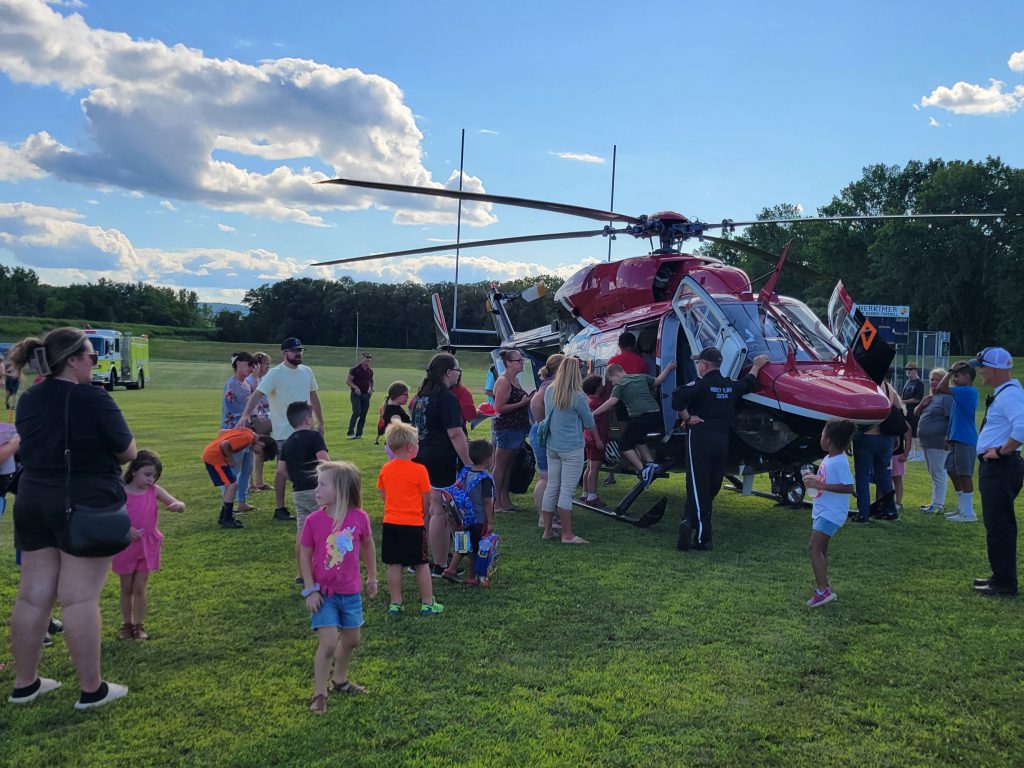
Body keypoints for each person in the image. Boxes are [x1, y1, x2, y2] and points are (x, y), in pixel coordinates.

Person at [7, 327, 138, 710]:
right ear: (73, 360)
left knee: (33, 598)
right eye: (91, 357)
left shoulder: (30, 398)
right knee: (80, 598)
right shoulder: (93, 399)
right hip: (82, 503)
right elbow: (128, 451)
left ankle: (25, 683)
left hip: (32, 499)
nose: (94, 363)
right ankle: (91, 689)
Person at [299, 461, 377, 714]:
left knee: (352, 640)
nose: (316, 489)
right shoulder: (314, 521)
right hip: (324, 594)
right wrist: (310, 590)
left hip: (351, 592)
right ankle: (319, 693)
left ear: (341, 489)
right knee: (329, 643)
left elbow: (368, 546)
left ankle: (340, 680)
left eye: (322, 484)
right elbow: (304, 554)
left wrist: (372, 577)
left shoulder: (359, 518)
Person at [671, 349, 769, 550]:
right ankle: (689, 519)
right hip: (721, 440)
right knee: (711, 486)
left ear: (704, 365)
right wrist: (757, 365)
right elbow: (748, 384)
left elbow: (676, 399)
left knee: (698, 486)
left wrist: (687, 418)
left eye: (699, 363)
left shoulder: (699, 385)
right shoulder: (728, 385)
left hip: (700, 437)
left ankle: (701, 538)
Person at [239, 338, 323, 522]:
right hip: (284, 432)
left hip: (306, 430)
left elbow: (314, 397)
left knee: (312, 468)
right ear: (284, 353)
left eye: (300, 350)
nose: (298, 353)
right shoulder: (276, 374)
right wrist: (245, 414)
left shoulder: (307, 371)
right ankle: (280, 508)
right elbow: (257, 394)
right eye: (294, 350)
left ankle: (315, 503)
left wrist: (320, 422)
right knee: (282, 470)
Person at [409, 353, 472, 578]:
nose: (458, 374)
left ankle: (418, 558)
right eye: (457, 370)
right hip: (440, 459)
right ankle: (439, 563)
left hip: (419, 457)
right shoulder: (446, 398)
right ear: (447, 372)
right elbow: (455, 433)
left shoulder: (419, 397)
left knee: (424, 510)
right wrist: (468, 463)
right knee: (440, 511)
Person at [111, 451, 185, 641]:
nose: (151, 479)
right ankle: (126, 626)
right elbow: (109, 515)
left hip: (148, 545)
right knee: (126, 587)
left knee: (140, 587)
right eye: (147, 474)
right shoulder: (121, 491)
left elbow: (177, 502)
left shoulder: (154, 490)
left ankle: (139, 626)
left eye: (155, 476)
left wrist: (178, 505)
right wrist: (125, 529)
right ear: (134, 471)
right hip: (126, 545)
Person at [969, 347, 1024, 597]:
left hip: (1000, 466)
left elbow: (1022, 427)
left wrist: (1001, 451)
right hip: (997, 467)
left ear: (992, 369)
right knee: (996, 523)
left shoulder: (1010, 395)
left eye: (981, 367)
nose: (979, 371)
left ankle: (1004, 582)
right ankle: (999, 575)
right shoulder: (1006, 393)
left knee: (999, 524)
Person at [376, 422, 443, 615]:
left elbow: (383, 494)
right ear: (410, 447)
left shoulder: (386, 469)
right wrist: (422, 514)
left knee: (394, 564)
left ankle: (395, 603)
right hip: (413, 523)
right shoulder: (420, 470)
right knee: (421, 564)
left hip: (391, 522)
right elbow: (426, 498)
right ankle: (427, 602)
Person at [592, 361, 677, 485]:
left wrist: (594, 413)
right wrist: (668, 368)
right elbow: (658, 380)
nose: (612, 383)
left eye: (611, 380)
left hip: (641, 417)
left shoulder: (619, 385)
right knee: (638, 439)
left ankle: (643, 469)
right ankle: (651, 463)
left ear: (615, 375)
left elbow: (611, 402)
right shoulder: (641, 377)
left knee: (624, 445)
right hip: (656, 414)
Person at [541, 358, 597, 544]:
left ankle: (548, 530)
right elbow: (589, 422)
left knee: (552, 487)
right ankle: (567, 534)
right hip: (572, 447)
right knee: (566, 491)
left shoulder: (550, 391)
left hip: (552, 445)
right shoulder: (578, 396)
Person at [801, 419, 856, 607]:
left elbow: (849, 487)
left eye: (823, 434)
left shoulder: (839, 461)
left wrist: (820, 484)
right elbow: (826, 480)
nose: (820, 437)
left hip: (831, 514)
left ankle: (822, 591)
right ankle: (824, 586)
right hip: (823, 510)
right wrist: (815, 478)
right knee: (821, 550)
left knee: (813, 548)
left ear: (829, 440)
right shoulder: (829, 458)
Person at [279, 401, 330, 575]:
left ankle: (302, 573)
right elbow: (324, 461)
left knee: (302, 533)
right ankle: (325, 568)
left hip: (298, 492)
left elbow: (281, 470)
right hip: (317, 491)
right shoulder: (314, 437)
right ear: (308, 419)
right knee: (326, 528)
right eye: (313, 417)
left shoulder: (287, 442)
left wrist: (296, 478)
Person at [201, 426, 277, 529]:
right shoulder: (247, 438)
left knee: (230, 485)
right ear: (261, 444)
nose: (257, 454)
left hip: (216, 457)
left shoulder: (248, 432)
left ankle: (224, 517)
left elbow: (222, 432)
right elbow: (224, 444)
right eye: (259, 452)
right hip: (214, 458)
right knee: (233, 485)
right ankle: (227, 519)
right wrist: (231, 459)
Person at [851, 378, 904, 524]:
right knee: (884, 476)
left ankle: (863, 513)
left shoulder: (862, 385)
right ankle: (890, 510)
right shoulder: (888, 387)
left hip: (866, 438)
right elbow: (898, 410)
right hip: (885, 439)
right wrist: (896, 436)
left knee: (862, 476)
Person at [442, 439, 494, 585]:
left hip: (461, 517)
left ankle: (451, 570)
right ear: (488, 458)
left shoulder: (465, 472)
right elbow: (487, 502)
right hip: (477, 520)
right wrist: (489, 521)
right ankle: (472, 577)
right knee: (474, 550)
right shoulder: (485, 479)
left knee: (463, 545)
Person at [935, 362, 979, 522]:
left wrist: (950, 370)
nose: (954, 377)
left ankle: (968, 512)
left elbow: (940, 387)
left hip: (966, 439)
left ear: (967, 376)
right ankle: (963, 509)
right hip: (957, 439)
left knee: (965, 474)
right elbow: (954, 417)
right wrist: (948, 435)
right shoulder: (961, 393)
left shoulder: (967, 391)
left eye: (958, 375)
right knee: (952, 470)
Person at [492, 349, 533, 513]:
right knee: (500, 466)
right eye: (518, 361)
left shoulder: (514, 379)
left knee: (508, 465)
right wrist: (523, 403)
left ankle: (505, 501)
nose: (521, 363)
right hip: (507, 429)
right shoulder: (504, 381)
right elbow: (499, 408)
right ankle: (496, 502)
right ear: (508, 363)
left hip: (516, 428)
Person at [529, 354, 564, 527]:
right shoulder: (552, 385)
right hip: (544, 433)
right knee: (546, 477)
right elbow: (536, 403)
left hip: (540, 430)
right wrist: (543, 422)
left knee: (549, 477)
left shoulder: (546, 383)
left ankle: (548, 515)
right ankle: (544, 518)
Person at [222, 351, 256, 513]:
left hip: (247, 431)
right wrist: (247, 416)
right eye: (249, 364)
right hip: (235, 432)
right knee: (233, 469)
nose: (252, 368)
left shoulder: (246, 384)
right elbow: (232, 410)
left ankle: (242, 501)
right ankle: (227, 504)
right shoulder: (232, 384)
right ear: (239, 363)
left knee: (248, 467)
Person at [914, 368, 952, 514]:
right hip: (927, 442)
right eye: (932, 379)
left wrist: (947, 437)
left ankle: (938, 504)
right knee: (933, 473)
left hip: (938, 442)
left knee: (938, 473)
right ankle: (934, 502)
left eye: (937, 379)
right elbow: (915, 413)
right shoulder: (931, 398)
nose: (934, 382)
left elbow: (950, 419)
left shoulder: (946, 398)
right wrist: (922, 404)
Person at [579, 374, 609, 507]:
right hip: (595, 436)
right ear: (597, 388)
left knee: (589, 466)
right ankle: (592, 496)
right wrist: (598, 440)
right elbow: (593, 423)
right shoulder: (597, 403)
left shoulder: (589, 401)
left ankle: (585, 493)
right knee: (595, 468)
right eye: (601, 385)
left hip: (587, 437)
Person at [245, 352, 272, 492]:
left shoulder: (265, 379)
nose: (268, 367)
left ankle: (259, 482)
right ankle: (249, 484)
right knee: (250, 451)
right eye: (266, 364)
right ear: (258, 365)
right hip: (253, 419)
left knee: (261, 449)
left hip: (264, 417)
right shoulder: (250, 380)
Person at [346, 352, 375, 439]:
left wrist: (371, 389)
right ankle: (350, 433)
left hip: (365, 394)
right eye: (366, 359)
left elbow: (371, 381)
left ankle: (359, 434)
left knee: (363, 414)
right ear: (362, 359)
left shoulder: (370, 371)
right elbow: (348, 381)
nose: (367, 361)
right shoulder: (355, 369)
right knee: (357, 412)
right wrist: (355, 387)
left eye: (369, 359)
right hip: (356, 394)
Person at [901, 362, 925, 460]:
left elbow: (917, 399)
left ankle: (920, 454)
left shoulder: (919, 383)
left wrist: (903, 401)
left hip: (915, 411)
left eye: (910, 369)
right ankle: (910, 452)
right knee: (908, 432)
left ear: (916, 370)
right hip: (906, 411)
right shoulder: (907, 382)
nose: (908, 371)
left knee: (915, 433)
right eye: (907, 369)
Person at [376, 381, 411, 445]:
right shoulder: (395, 413)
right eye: (406, 395)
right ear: (397, 395)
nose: (408, 397)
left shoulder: (391, 408)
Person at [890, 421, 913, 512]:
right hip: (886, 454)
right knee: (885, 480)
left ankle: (898, 502)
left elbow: (908, 438)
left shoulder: (903, 423)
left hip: (897, 454)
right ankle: (888, 501)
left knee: (897, 479)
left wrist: (905, 454)